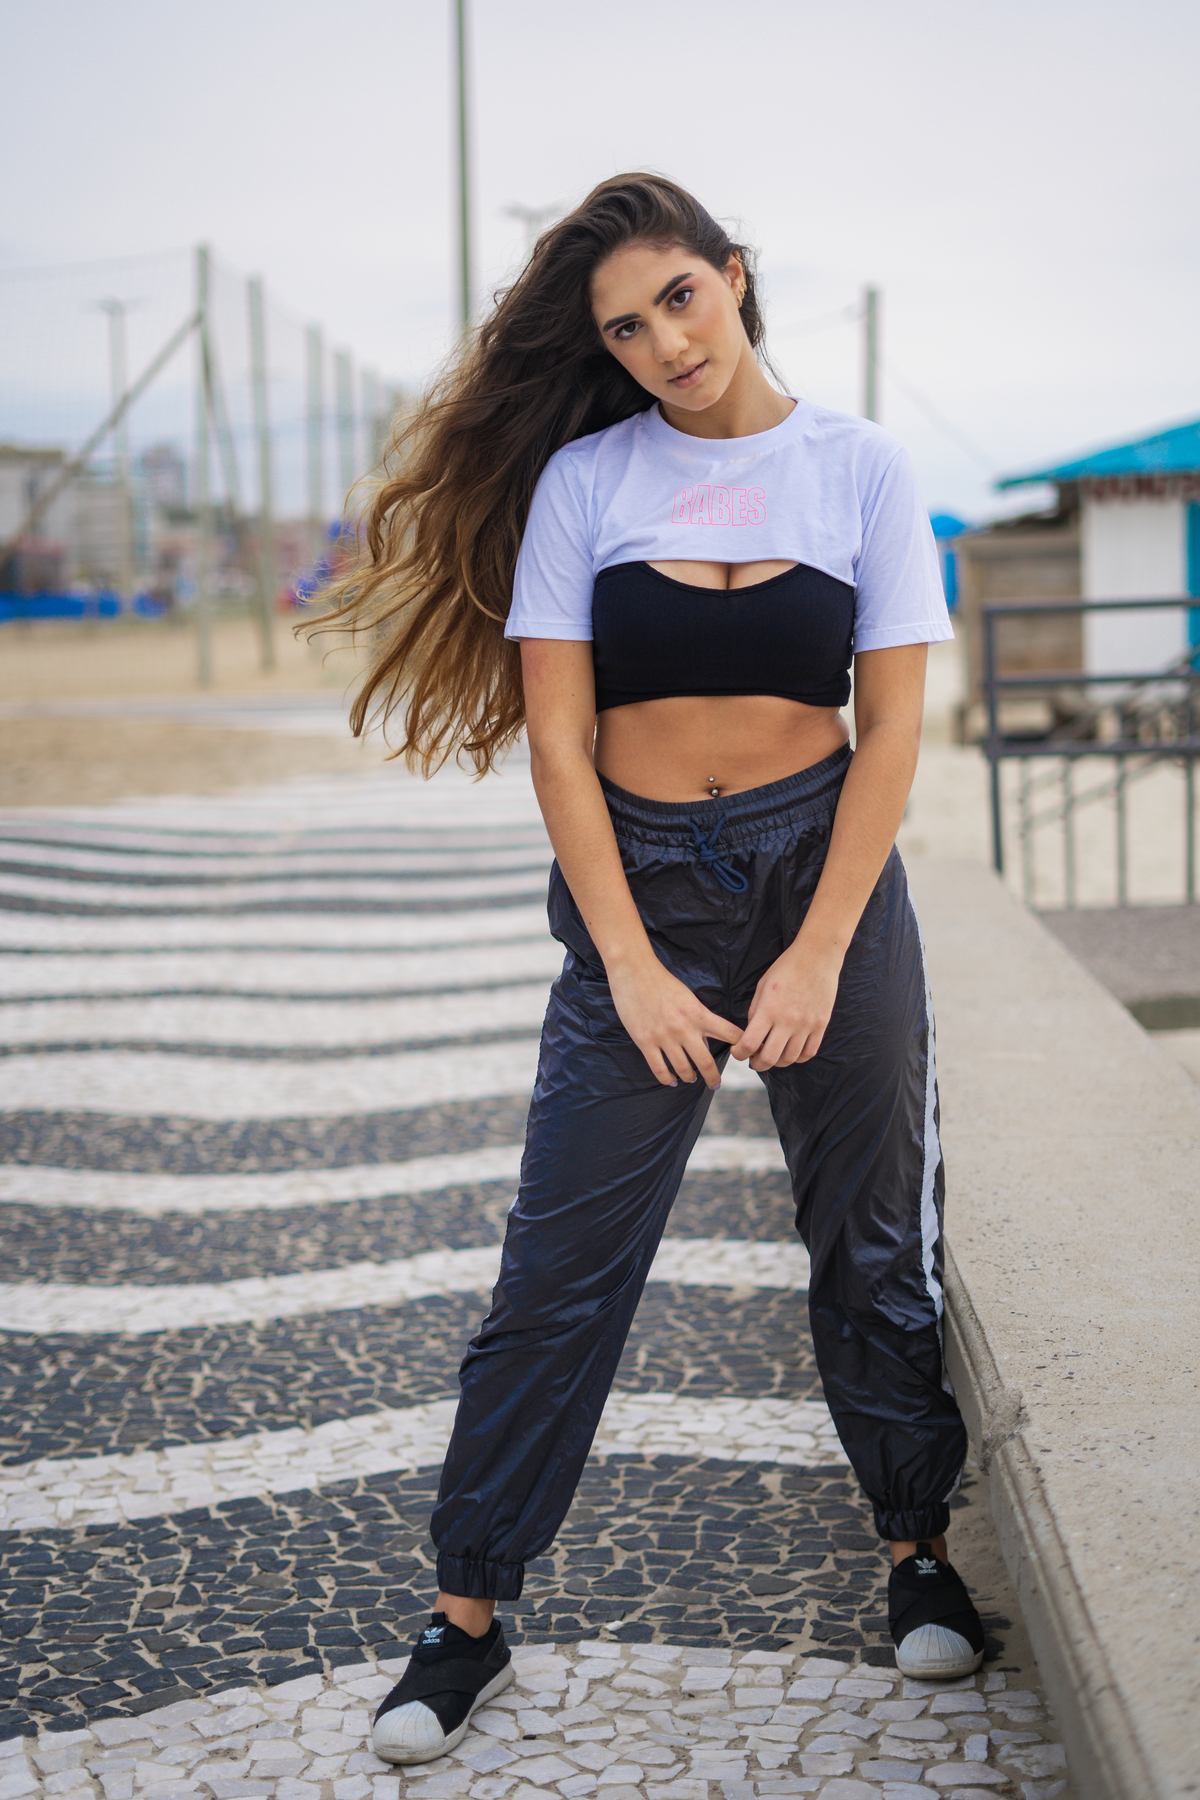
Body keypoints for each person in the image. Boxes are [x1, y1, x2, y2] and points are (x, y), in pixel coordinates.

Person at [316, 172, 984, 1769]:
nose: (663, 341)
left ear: (736, 278)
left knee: (873, 1235)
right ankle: (465, 1617)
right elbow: (558, 735)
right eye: (624, 327)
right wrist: (628, 963)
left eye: (679, 298)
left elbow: (889, 725)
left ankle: (917, 1552)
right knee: (558, 1273)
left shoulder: (863, 467)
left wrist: (821, 945)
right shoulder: (590, 482)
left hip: (827, 873)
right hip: (644, 895)